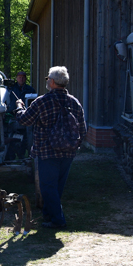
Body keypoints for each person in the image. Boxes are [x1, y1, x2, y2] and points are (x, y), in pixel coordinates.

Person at [15, 66, 86, 229]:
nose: (47, 81)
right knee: (57, 187)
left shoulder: (42, 101)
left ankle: (58, 220)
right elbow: (83, 129)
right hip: (69, 152)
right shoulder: (74, 102)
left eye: (48, 79)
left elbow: (24, 120)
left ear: (52, 82)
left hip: (47, 152)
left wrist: (19, 106)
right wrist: (75, 146)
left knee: (48, 187)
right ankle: (48, 214)